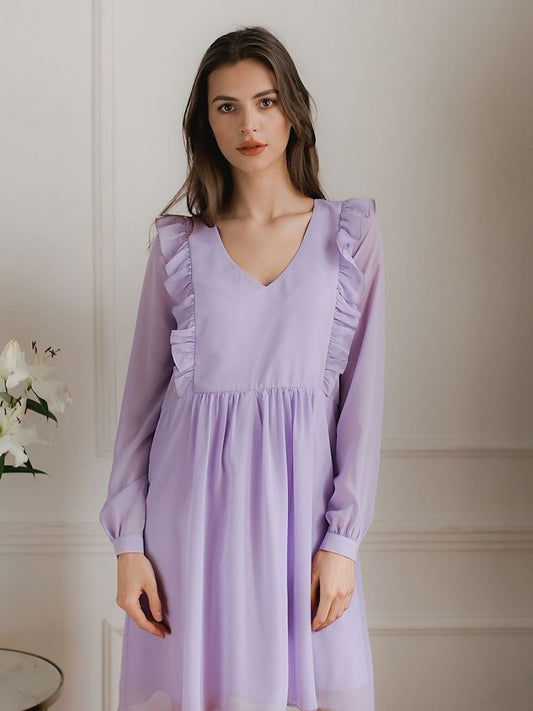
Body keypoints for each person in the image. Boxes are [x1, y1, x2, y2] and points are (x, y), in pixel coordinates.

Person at [99, 24, 386, 711]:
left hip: (301, 534)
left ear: (293, 108)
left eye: (264, 101)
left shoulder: (349, 237)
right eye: (225, 106)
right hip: (187, 533)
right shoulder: (179, 247)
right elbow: (139, 409)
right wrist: (129, 544)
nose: (248, 124)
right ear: (205, 122)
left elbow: (363, 405)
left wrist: (342, 541)